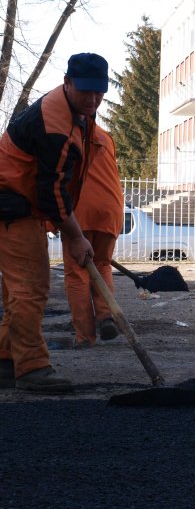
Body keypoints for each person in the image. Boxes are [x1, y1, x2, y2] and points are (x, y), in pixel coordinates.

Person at [0, 52, 108, 393]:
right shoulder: (55, 124)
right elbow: (53, 192)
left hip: (21, 203)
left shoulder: (78, 115)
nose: (92, 99)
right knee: (30, 288)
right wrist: (75, 237)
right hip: (10, 205)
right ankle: (32, 368)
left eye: (99, 92)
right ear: (67, 83)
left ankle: (7, 361)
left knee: (18, 290)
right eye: (85, 91)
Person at [62, 126, 124, 349]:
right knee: (102, 263)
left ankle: (85, 336)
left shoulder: (66, 136)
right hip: (111, 207)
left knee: (77, 273)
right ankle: (106, 316)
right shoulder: (106, 136)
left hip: (79, 210)